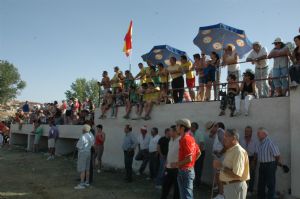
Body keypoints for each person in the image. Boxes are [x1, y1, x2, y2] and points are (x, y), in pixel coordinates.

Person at [213, 129, 250, 199]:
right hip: (229, 187)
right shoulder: (231, 150)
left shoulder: (238, 152)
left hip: (235, 187)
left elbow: (237, 175)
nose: (224, 138)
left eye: (226, 136)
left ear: (234, 138)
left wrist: (221, 167)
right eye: (224, 136)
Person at [170, 118, 201, 199]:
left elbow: (189, 158)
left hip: (185, 171)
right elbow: (198, 153)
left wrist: (176, 164)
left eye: (177, 125)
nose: (176, 127)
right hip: (187, 170)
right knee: (185, 195)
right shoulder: (190, 138)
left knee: (186, 196)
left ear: (182, 128)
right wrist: (190, 165)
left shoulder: (185, 139)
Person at [254, 127, 282, 199]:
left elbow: (277, 155)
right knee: (261, 183)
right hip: (262, 164)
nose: (257, 135)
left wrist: (275, 164)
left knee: (270, 183)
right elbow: (257, 154)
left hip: (270, 164)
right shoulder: (259, 143)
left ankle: (270, 197)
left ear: (264, 134)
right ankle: (261, 197)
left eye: (258, 133)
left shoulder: (270, 143)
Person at [206, 121, 225, 199]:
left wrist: (219, 153)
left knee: (220, 176)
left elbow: (226, 145)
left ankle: (222, 194)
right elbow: (211, 136)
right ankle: (221, 193)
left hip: (221, 158)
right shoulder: (217, 132)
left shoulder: (220, 132)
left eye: (211, 129)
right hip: (218, 157)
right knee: (218, 176)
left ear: (215, 126)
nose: (210, 131)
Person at [161, 125, 180, 199]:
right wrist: (166, 162)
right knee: (165, 185)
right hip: (168, 168)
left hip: (177, 169)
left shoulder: (181, 141)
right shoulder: (171, 140)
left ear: (175, 132)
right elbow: (170, 153)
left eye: (170, 130)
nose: (169, 132)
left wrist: (178, 164)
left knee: (177, 188)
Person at [74, 124, 95, 189]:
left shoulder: (83, 136)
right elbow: (92, 144)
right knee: (87, 169)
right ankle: (87, 182)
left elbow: (78, 146)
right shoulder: (91, 136)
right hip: (88, 152)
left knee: (82, 169)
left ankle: (82, 184)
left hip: (83, 153)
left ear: (84, 129)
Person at [239, 126, 257, 196]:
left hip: (252, 158)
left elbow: (256, 152)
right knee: (242, 174)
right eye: (246, 131)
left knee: (251, 175)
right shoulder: (241, 140)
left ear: (251, 133)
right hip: (243, 158)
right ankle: (242, 188)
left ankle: (250, 190)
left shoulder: (255, 141)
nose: (246, 132)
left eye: (248, 131)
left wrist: (253, 161)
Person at [190, 122, 206, 188]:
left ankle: (197, 184)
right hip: (193, 153)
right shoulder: (190, 133)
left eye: (192, 126)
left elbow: (201, 145)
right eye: (191, 126)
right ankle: (193, 182)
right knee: (192, 168)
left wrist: (197, 154)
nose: (191, 127)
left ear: (196, 127)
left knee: (198, 169)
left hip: (200, 153)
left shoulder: (200, 133)